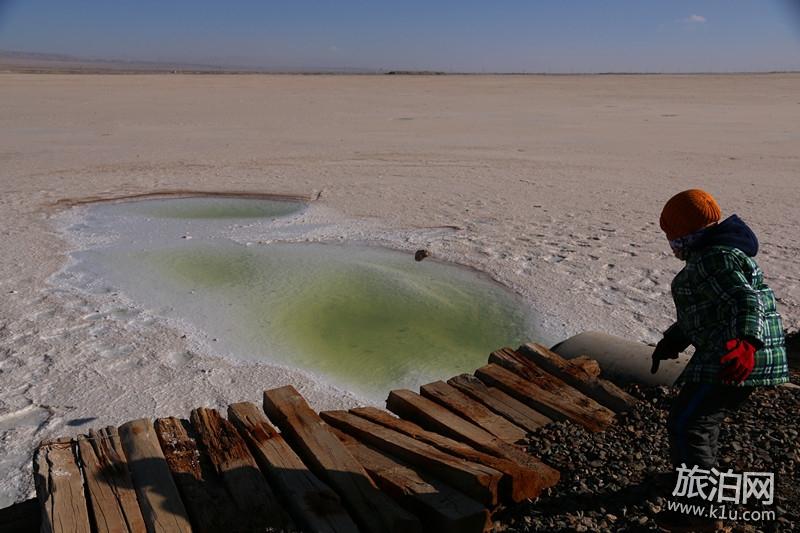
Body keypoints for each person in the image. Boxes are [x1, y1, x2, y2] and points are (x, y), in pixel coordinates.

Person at [651, 189, 789, 530]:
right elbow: (708, 309)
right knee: (700, 420)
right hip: (731, 353)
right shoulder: (713, 255)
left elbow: (745, 300)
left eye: (673, 236)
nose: (672, 244)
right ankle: (699, 483)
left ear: (687, 233)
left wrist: (745, 343)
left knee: (688, 423)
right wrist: (673, 340)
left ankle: (700, 509)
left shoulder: (715, 258)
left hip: (733, 357)